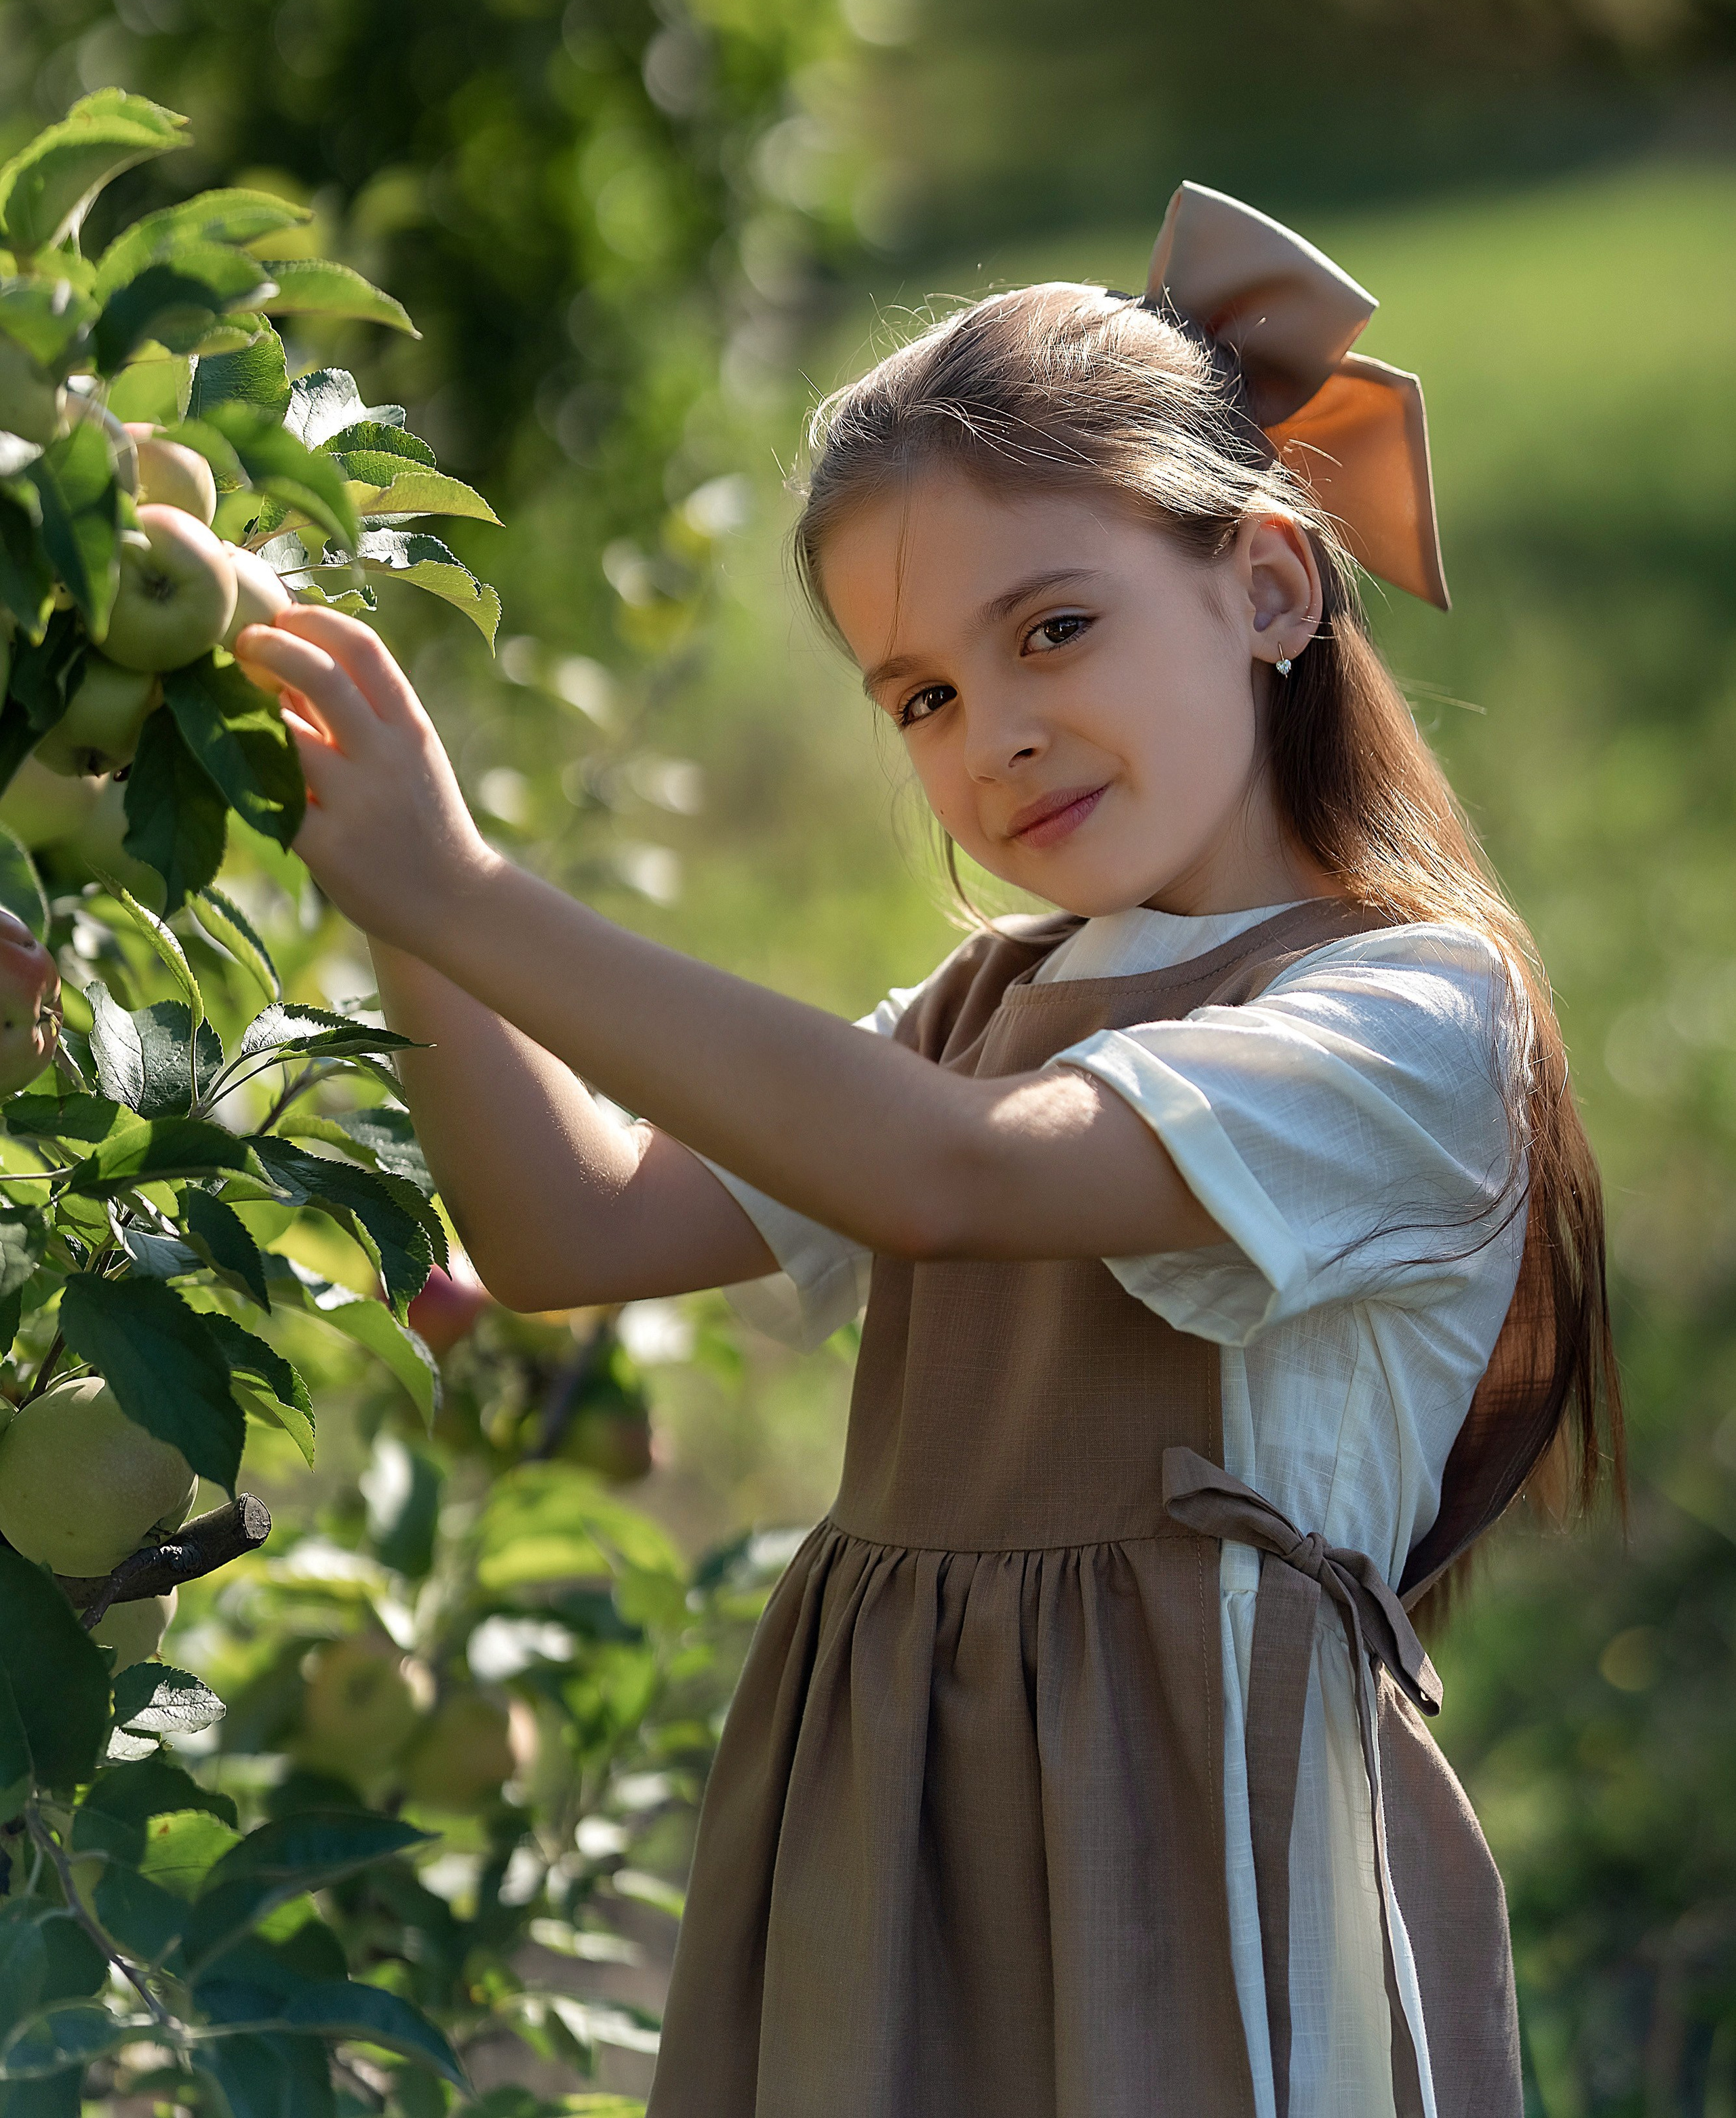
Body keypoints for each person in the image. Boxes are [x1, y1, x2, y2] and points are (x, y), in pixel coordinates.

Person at [237, 183, 1621, 2118]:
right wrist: (388, 886)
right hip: (899, 1816)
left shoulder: (1403, 1020)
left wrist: (468, 888)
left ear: (1270, 590)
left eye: (1056, 629)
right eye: (926, 697)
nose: (999, 739)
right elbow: (567, 1225)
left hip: (1192, 1854)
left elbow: (952, 1182)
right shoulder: (987, 1010)